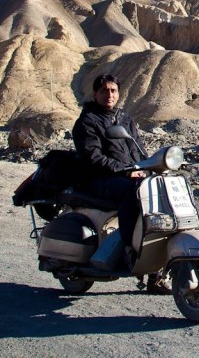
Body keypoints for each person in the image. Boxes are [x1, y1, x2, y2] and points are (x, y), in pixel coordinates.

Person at [71, 74, 146, 265]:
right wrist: (125, 171)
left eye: (113, 90)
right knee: (133, 194)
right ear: (95, 93)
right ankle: (130, 247)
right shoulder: (88, 121)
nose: (109, 95)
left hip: (127, 174)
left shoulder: (125, 119)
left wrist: (151, 166)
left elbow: (139, 149)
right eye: (104, 90)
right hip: (100, 179)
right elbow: (93, 158)